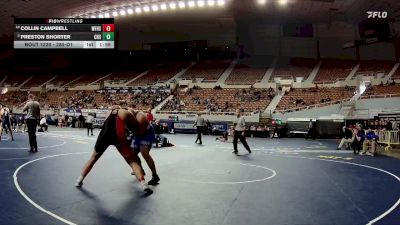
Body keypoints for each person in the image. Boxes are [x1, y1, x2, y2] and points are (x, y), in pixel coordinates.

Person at [75, 107, 152, 193]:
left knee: (93, 158)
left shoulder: (111, 112)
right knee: (132, 161)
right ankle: (144, 184)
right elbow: (135, 129)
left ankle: (79, 180)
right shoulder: (126, 113)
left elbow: (105, 125)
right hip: (118, 136)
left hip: (105, 135)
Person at [131, 112, 160, 185]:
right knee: (132, 153)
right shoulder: (123, 118)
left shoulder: (140, 117)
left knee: (144, 153)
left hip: (146, 133)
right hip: (138, 133)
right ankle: (141, 170)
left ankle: (155, 176)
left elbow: (141, 132)